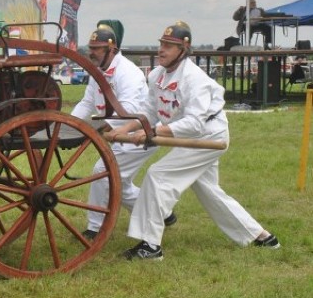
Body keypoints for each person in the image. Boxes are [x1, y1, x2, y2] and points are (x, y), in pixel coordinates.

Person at [105, 22, 281, 261]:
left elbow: (194, 123)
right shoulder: (156, 75)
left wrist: (152, 133)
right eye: (162, 44)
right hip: (189, 135)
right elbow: (148, 111)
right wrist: (123, 129)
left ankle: (151, 246)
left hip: (209, 135)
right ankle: (262, 236)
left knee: (158, 176)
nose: (162, 50)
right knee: (209, 191)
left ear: (183, 50)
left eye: (170, 46)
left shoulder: (193, 78)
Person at [70, 25, 176, 241]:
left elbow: (127, 108)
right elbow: (88, 102)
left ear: (112, 49)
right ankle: (162, 213)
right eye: (91, 47)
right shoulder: (97, 71)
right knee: (121, 184)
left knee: (102, 174)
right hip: (117, 134)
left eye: (97, 48)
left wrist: (98, 128)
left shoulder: (127, 72)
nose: (92, 52)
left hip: (136, 135)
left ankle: (94, 228)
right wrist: (69, 124)